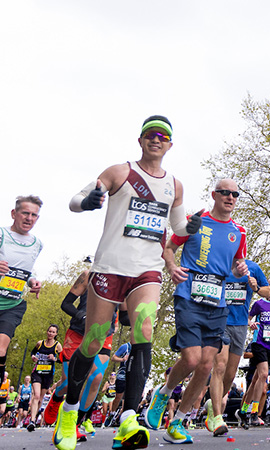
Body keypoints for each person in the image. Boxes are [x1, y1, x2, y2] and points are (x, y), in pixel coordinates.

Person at [54, 115, 201, 450]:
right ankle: (70, 410)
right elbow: (75, 200)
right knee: (93, 342)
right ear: (141, 140)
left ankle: (128, 418)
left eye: (163, 136)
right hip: (109, 268)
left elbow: (177, 229)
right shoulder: (120, 172)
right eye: (150, 134)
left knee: (143, 331)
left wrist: (190, 226)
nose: (156, 139)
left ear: (170, 145)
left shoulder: (175, 185)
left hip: (146, 271)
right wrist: (88, 201)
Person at [145, 178, 248, 444]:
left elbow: (238, 263)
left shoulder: (239, 232)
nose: (231, 197)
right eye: (225, 192)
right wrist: (171, 267)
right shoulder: (195, 220)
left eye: (235, 194)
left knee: (205, 366)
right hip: (189, 296)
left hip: (218, 302)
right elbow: (169, 247)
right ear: (214, 195)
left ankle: (177, 422)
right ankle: (164, 391)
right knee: (191, 360)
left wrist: (240, 270)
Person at [43, 268, 118, 436]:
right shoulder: (88, 275)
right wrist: (82, 316)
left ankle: (75, 424)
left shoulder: (126, 278)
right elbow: (66, 304)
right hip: (78, 333)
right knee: (70, 382)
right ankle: (56, 398)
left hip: (103, 334)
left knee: (96, 377)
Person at [204, 259, 269, 435]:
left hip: (240, 325)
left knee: (230, 374)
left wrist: (255, 287)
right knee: (219, 366)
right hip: (220, 321)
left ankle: (213, 404)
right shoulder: (220, 262)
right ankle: (218, 417)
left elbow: (267, 291)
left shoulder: (253, 267)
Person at [237, 278, 270, 428]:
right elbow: (248, 318)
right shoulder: (259, 304)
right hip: (259, 343)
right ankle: (254, 413)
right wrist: (251, 324)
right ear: (266, 287)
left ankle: (242, 411)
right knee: (263, 375)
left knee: (255, 380)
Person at [0, 196, 43, 381]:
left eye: (34, 215)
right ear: (13, 214)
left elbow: (27, 268)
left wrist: (33, 281)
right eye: (25, 213)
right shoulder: (2, 234)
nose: (29, 218)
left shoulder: (37, 244)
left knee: (1, 347)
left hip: (11, 305)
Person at [28, 324, 62, 431]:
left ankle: (35, 416)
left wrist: (54, 359)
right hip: (37, 372)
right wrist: (33, 356)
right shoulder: (40, 343)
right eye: (49, 331)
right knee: (36, 395)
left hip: (48, 374)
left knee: (41, 398)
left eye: (53, 332)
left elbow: (63, 360)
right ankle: (32, 420)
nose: (50, 334)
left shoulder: (57, 345)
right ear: (47, 332)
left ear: (56, 334)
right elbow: (32, 352)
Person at [105, 342, 131, 427]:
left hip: (133, 375)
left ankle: (125, 418)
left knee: (129, 398)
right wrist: (122, 359)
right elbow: (113, 358)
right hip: (122, 375)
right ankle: (112, 413)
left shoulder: (140, 347)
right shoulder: (125, 346)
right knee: (118, 397)